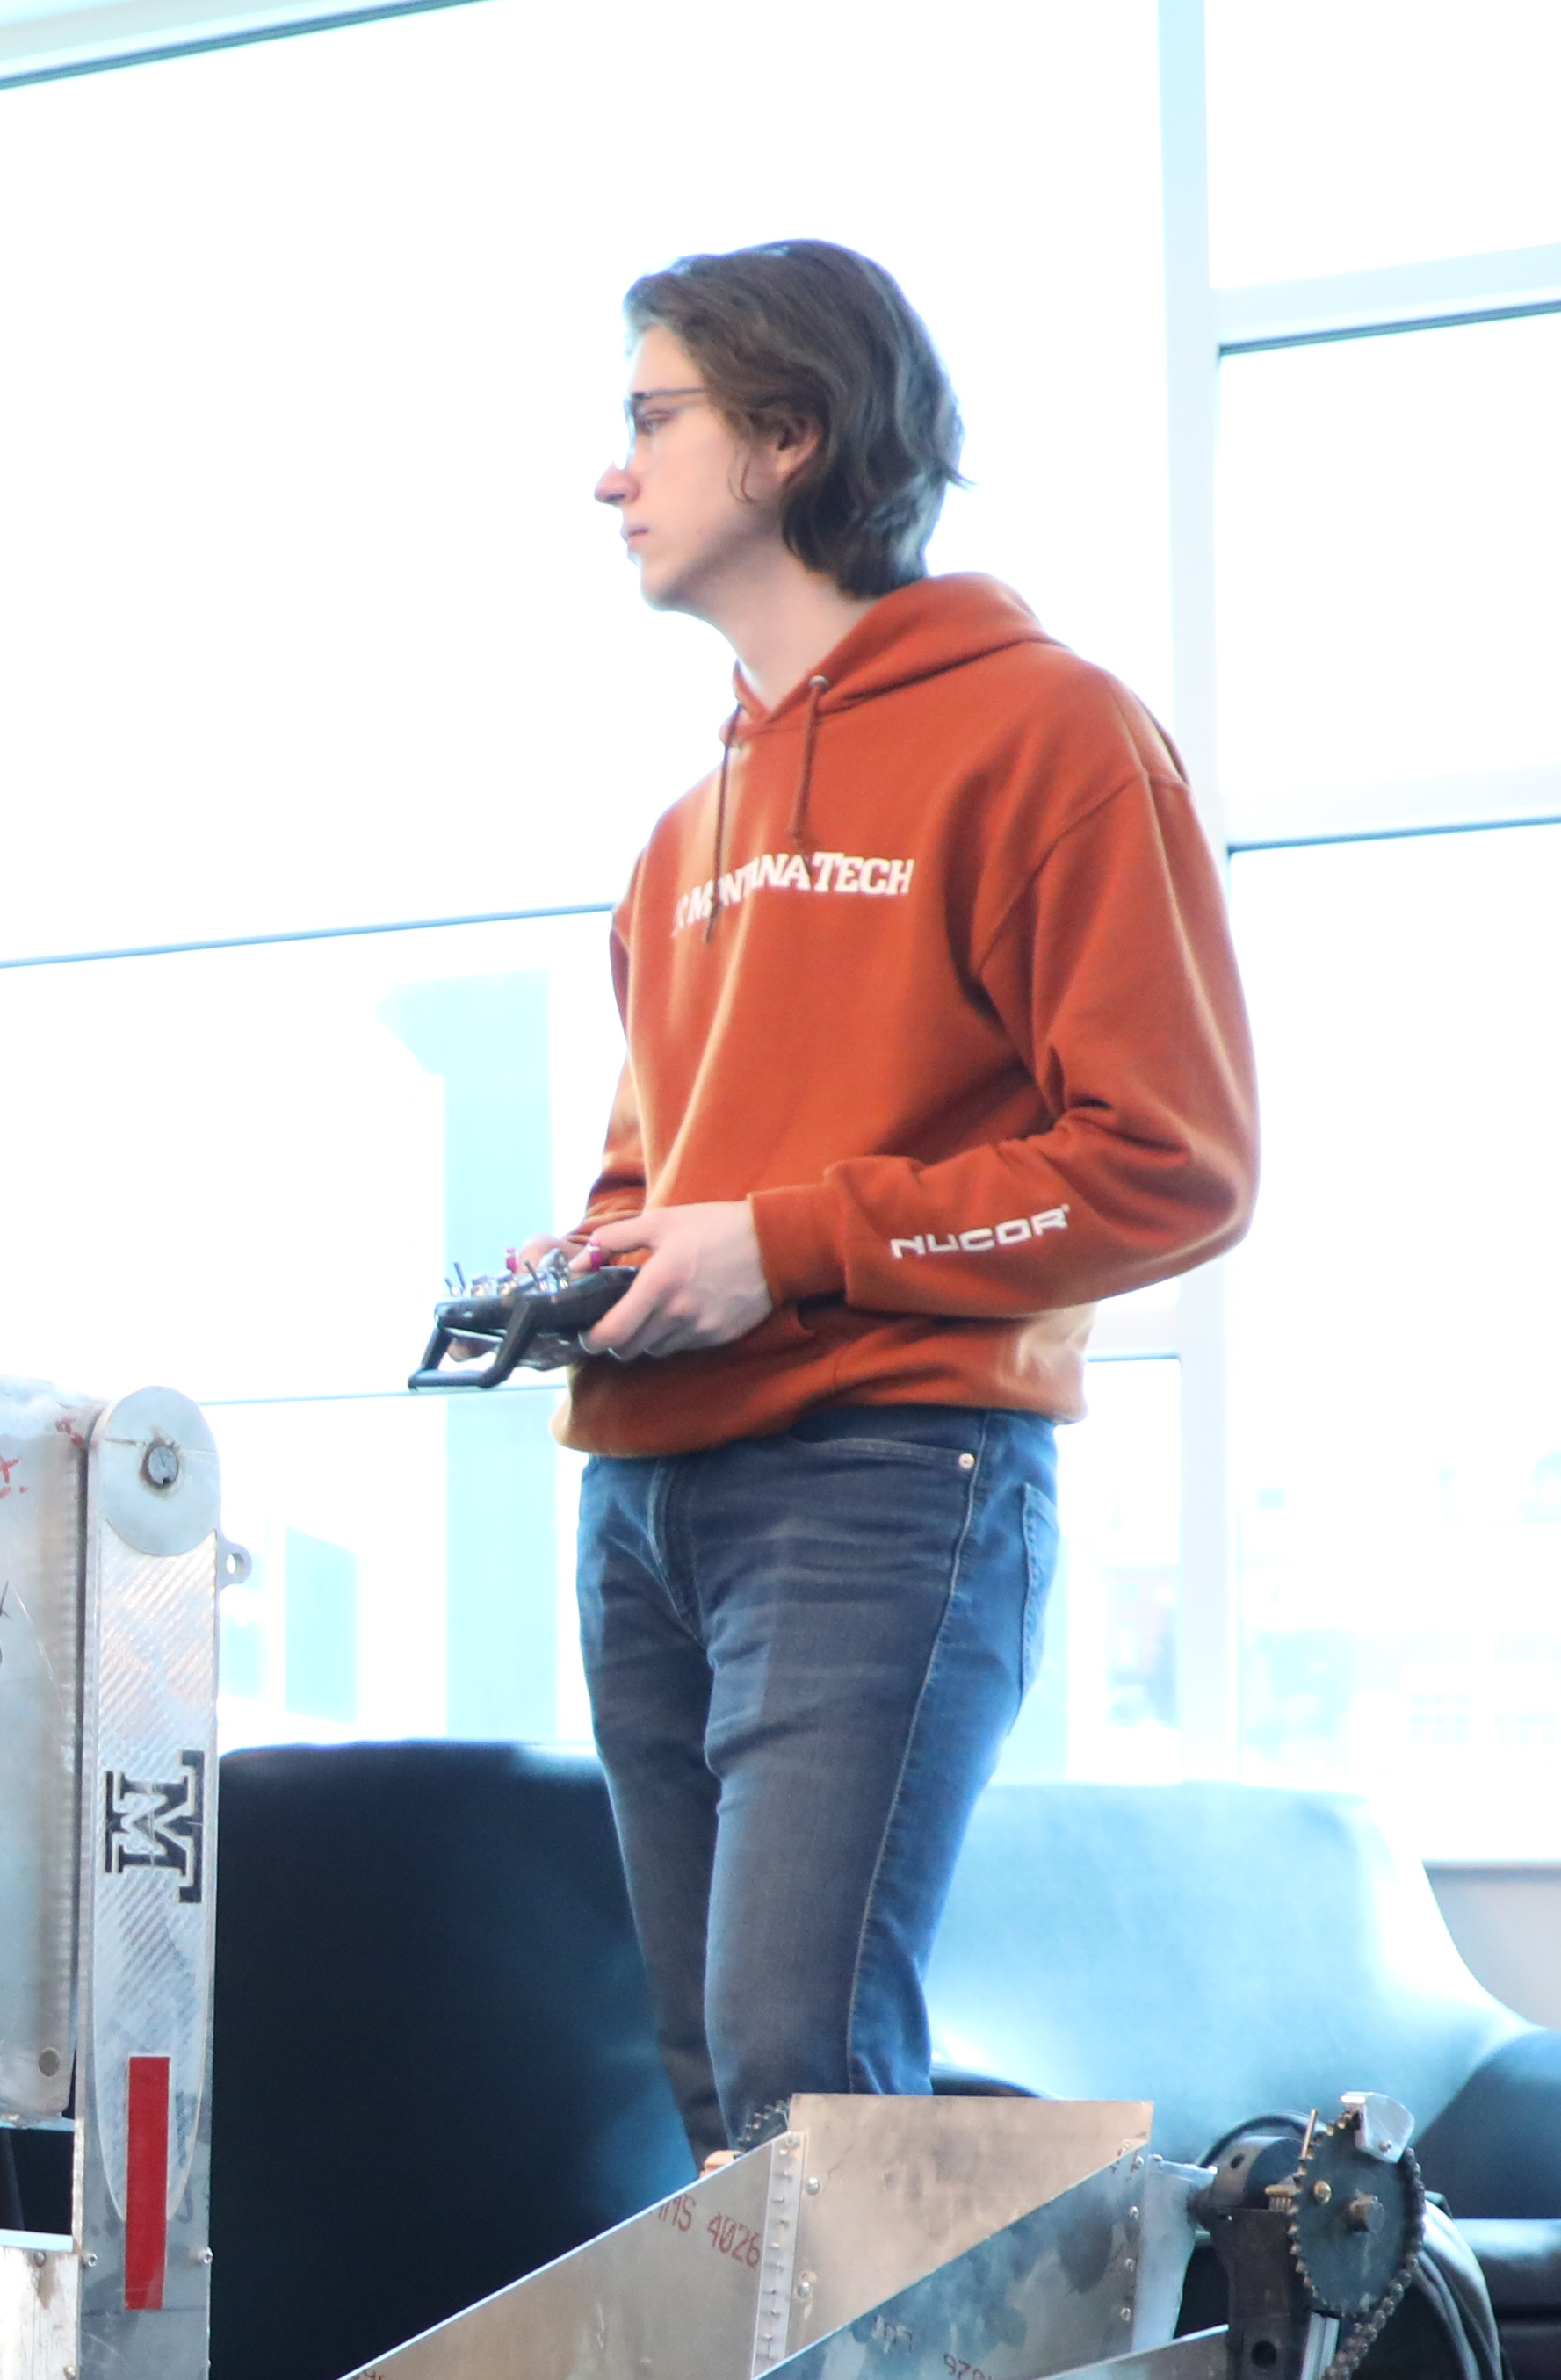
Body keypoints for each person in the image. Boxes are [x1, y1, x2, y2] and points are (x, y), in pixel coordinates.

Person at [522, 239, 1254, 2167]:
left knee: (805, 2079)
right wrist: (605, 1253)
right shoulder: (685, 834)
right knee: (722, 2102)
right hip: (643, 1496)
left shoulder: (1052, 739)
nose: (614, 474)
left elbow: (1169, 1161)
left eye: (648, 421)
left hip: (881, 1488)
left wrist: (781, 1245)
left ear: (788, 436)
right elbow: (653, 1159)